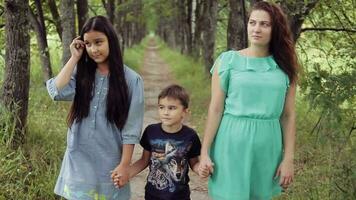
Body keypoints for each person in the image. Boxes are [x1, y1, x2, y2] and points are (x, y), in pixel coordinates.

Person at [199, 1, 298, 199]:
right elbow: (216, 109)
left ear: (275, 29)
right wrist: (205, 152)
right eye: (253, 22)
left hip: (268, 146)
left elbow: (287, 116)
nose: (256, 29)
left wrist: (288, 158)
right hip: (231, 142)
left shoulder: (285, 67)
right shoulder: (228, 61)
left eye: (264, 24)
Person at [46, 16, 144, 200]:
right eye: (88, 44)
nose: (93, 49)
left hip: (109, 162)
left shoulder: (131, 80)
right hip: (78, 161)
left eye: (98, 42)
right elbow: (55, 91)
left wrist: (125, 165)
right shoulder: (81, 74)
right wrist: (74, 58)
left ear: (111, 41)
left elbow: (131, 129)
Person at [114, 84, 207, 200]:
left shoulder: (190, 136)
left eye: (172, 108)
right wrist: (128, 173)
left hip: (180, 196)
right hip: (153, 195)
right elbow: (144, 161)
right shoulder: (151, 131)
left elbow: (194, 163)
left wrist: (201, 169)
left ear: (185, 112)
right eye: (161, 107)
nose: (165, 112)